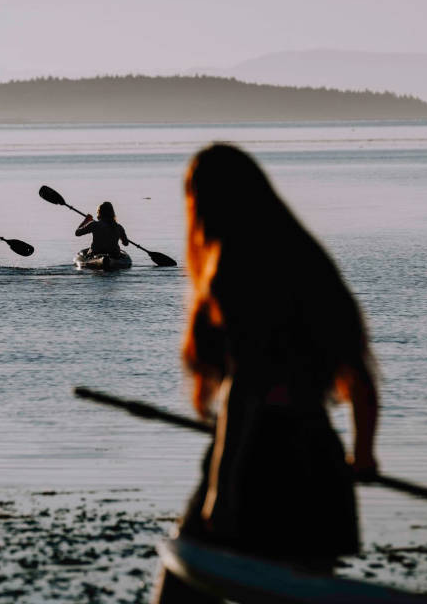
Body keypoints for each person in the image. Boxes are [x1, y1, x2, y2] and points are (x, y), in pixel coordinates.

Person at [155, 143, 379, 603]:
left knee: (182, 593)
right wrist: (364, 453)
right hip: (319, 460)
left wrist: (220, 488)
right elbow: (358, 374)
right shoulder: (308, 258)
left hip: (261, 460)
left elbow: (247, 387)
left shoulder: (233, 266)